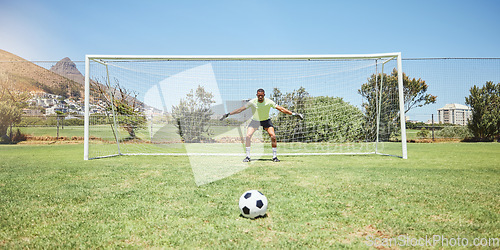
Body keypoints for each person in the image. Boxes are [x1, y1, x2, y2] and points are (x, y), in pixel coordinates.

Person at [220, 88, 303, 162]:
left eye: (262, 96)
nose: (260, 97)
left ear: (264, 95)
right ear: (257, 95)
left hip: (266, 121)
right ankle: (248, 157)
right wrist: (228, 114)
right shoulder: (252, 102)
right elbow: (240, 110)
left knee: (273, 136)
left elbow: (281, 109)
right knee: (248, 136)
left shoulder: (269, 102)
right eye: (259, 95)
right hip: (255, 121)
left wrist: (293, 114)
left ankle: (274, 157)